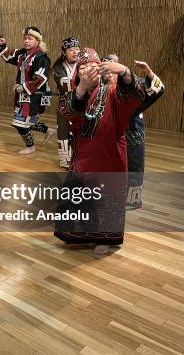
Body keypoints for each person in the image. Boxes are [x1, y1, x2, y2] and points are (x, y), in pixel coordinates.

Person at [54, 48, 146, 256]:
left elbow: (135, 96)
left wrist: (125, 73)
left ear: (102, 69)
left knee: (107, 198)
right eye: (82, 68)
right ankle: (79, 234)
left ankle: (107, 239)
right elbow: (65, 113)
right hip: (83, 155)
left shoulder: (113, 92)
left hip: (109, 155)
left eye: (93, 66)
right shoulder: (77, 92)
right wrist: (80, 89)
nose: (87, 71)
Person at [102, 55, 165, 209]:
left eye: (113, 71)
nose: (110, 74)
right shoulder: (103, 89)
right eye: (107, 72)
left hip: (132, 130)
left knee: (134, 164)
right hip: (112, 133)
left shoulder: (135, 85)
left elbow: (159, 89)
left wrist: (148, 71)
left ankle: (132, 199)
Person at [0, 27, 56, 155]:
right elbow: (9, 55)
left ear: (37, 41)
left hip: (34, 94)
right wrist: (2, 45)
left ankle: (30, 146)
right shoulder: (23, 54)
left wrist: (22, 87)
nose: (26, 41)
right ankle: (49, 131)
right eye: (25, 38)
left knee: (19, 123)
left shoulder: (42, 57)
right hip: (24, 95)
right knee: (31, 121)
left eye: (30, 38)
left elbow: (41, 78)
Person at [52, 36, 81, 168]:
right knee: (63, 132)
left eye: (77, 49)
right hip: (65, 105)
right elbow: (66, 84)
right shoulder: (58, 67)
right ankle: (66, 161)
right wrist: (84, 81)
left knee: (82, 132)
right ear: (64, 52)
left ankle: (81, 159)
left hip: (82, 105)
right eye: (71, 49)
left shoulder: (84, 63)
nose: (75, 52)